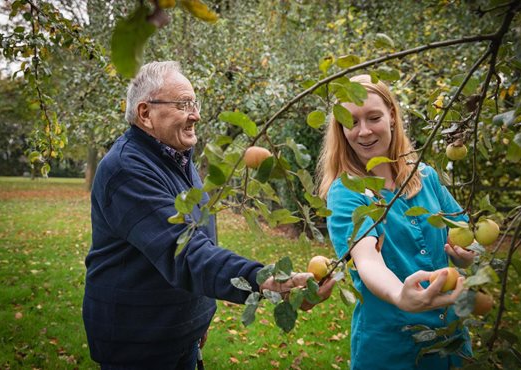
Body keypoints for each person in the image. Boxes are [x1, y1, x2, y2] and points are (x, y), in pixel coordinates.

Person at [83, 61, 334, 370]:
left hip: (178, 334)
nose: (196, 115)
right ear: (146, 113)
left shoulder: (175, 157)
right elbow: (185, 253)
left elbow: (201, 236)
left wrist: (200, 315)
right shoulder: (126, 171)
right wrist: (267, 281)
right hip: (139, 343)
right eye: (183, 104)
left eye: (195, 103)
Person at [316, 75, 475, 369]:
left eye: (373, 117)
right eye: (351, 122)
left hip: (451, 339)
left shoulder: (426, 177)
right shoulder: (347, 192)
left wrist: (468, 254)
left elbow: (466, 235)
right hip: (391, 349)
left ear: (391, 115)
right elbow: (367, 260)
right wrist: (398, 295)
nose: (363, 132)